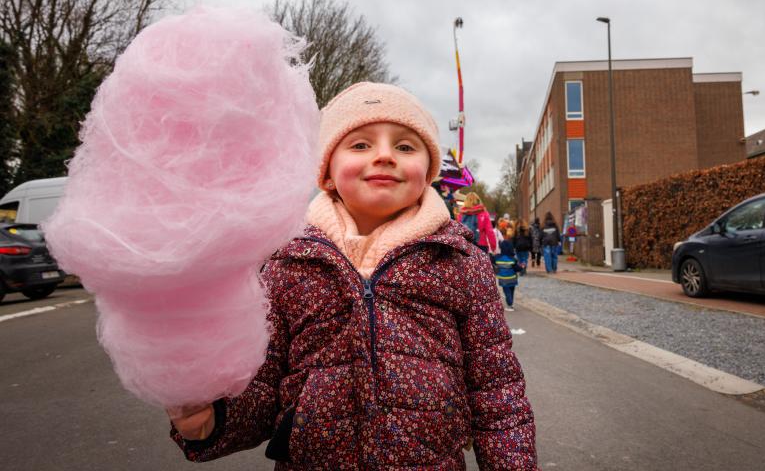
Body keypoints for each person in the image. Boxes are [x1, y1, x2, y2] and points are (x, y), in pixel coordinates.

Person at [166, 83, 537, 469]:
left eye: (406, 147)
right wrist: (210, 420)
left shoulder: (461, 262)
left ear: (427, 172)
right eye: (360, 145)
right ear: (326, 172)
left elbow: (497, 393)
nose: (384, 156)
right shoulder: (288, 263)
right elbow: (262, 389)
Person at [494, 239, 521, 311]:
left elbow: (493, 262)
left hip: (503, 279)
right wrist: (521, 267)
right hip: (512, 278)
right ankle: (511, 303)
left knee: (506, 292)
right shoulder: (513, 259)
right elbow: (517, 268)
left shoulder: (498, 258)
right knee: (512, 290)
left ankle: (510, 304)